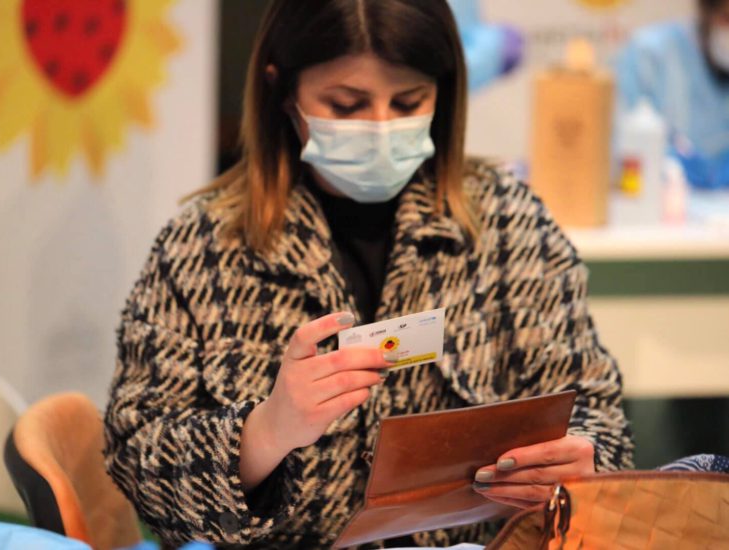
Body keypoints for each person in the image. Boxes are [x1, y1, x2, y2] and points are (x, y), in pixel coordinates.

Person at [104, 1, 633, 547]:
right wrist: (264, 433)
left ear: (443, 91)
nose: (380, 128)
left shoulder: (508, 225)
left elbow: (597, 412)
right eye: (346, 104)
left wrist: (582, 463)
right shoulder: (204, 245)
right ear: (282, 90)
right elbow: (136, 462)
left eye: (408, 102)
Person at [616, 0, 729, 190]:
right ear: (708, 12)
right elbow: (623, 148)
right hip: (657, 198)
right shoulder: (651, 53)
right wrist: (668, 163)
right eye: (727, 18)